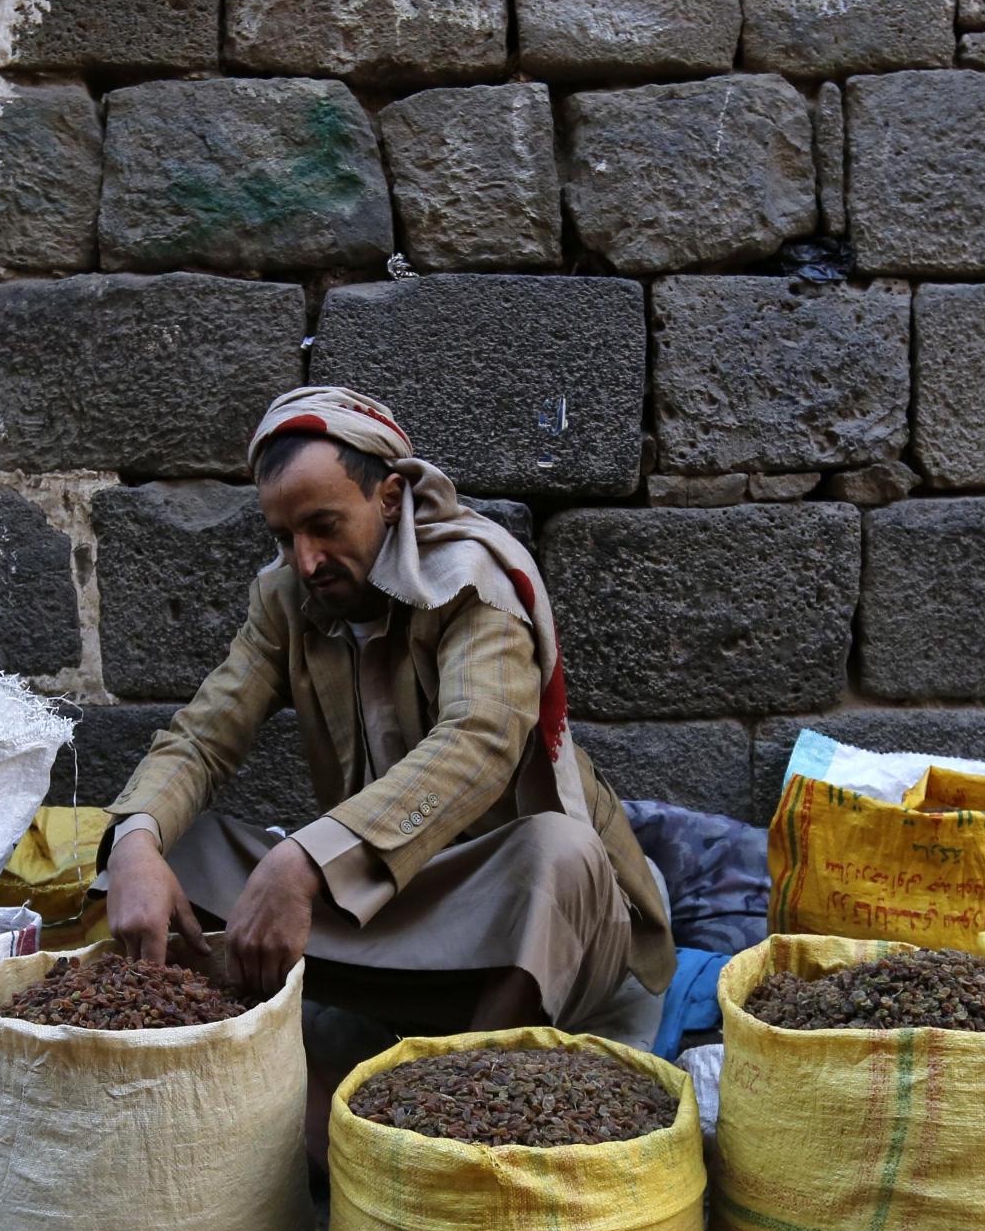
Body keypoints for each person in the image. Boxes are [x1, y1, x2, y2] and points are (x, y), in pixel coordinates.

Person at [104, 386, 673, 1054]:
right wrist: (135, 845)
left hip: (511, 924)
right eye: (284, 537)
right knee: (174, 846)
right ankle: (245, 1058)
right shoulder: (287, 600)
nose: (306, 560)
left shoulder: (473, 582)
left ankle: (452, 1089)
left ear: (391, 499)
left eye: (325, 525)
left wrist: (306, 860)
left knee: (562, 854)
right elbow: (201, 740)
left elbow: (479, 740)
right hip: (383, 908)